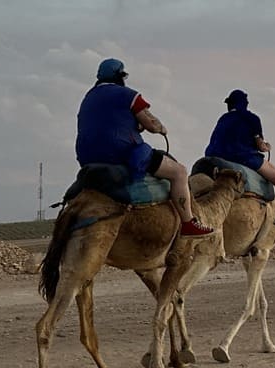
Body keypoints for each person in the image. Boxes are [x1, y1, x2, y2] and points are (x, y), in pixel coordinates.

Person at [75, 58, 213, 237]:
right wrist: (161, 128)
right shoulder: (128, 95)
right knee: (179, 172)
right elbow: (151, 124)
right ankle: (188, 223)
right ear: (121, 76)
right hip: (120, 152)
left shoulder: (88, 97)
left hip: (87, 157)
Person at [205, 90, 275, 230]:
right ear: (245, 104)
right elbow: (260, 146)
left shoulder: (223, 118)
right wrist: (266, 147)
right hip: (242, 157)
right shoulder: (252, 119)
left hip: (213, 155)